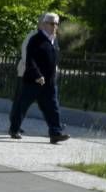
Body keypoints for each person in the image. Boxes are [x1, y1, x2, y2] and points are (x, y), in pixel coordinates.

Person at [9, 12, 70, 144]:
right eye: (51, 23)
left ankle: (55, 133)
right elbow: (30, 59)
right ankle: (14, 129)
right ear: (44, 24)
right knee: (22, 106)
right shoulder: (35, 39)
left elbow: (54, 60)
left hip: (49, 82)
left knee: (53, 108)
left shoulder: (54, 40)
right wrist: (37, 75)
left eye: (56, 24)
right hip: (33, 80)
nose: (54, 26)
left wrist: (54, 74)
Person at [8, 20, 40, 137]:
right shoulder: (32, 36)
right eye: (51, 23)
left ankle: (56, 128)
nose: (54, 26)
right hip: (27, 73)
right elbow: (26, 54)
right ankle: (14, 125)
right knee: (21, 100)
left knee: (50, 101)